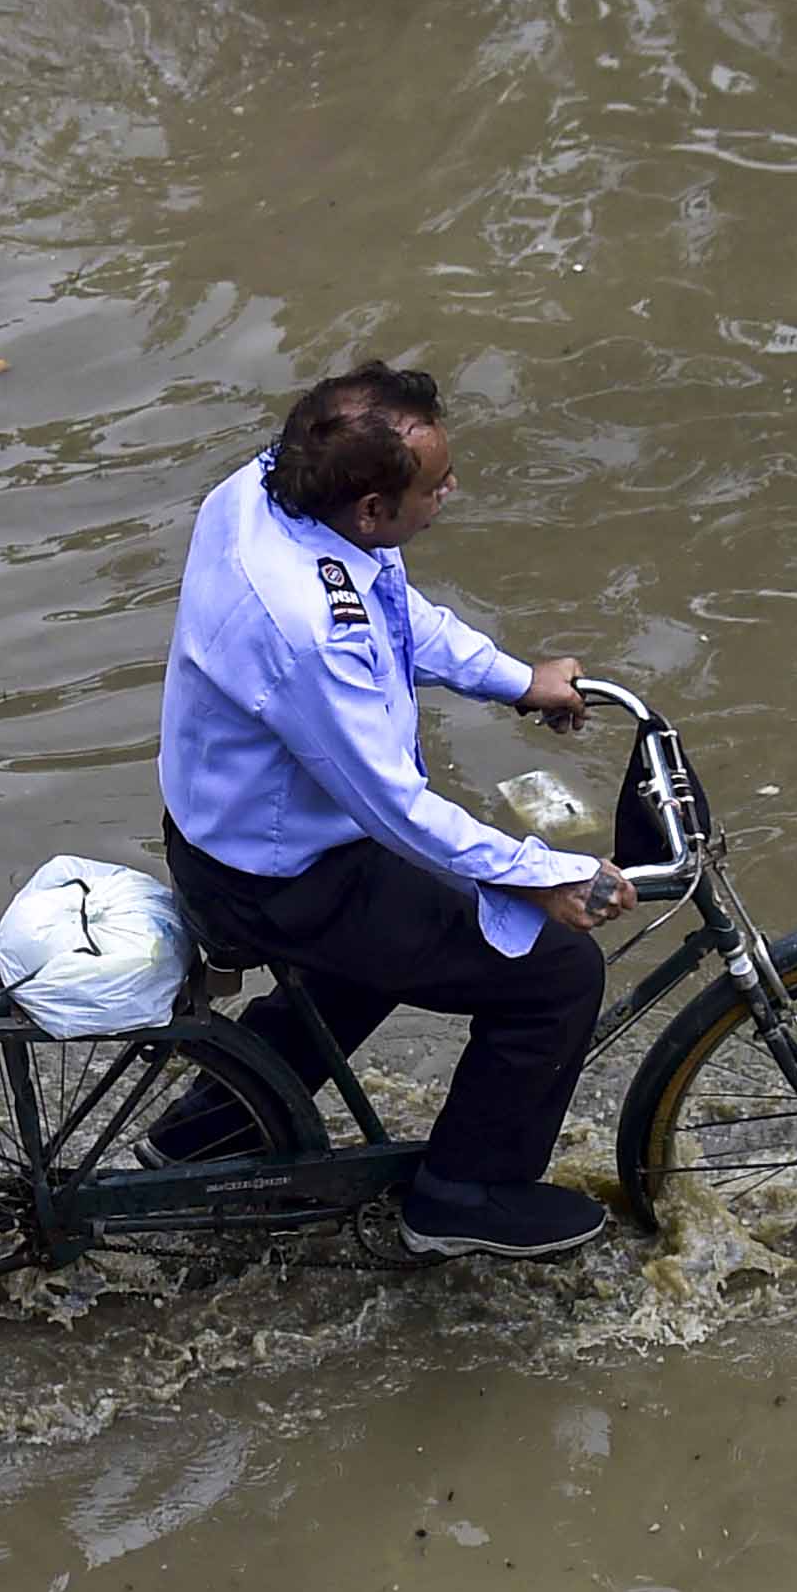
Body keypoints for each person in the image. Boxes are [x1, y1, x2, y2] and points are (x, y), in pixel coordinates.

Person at [156, 362, 618, 1258]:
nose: (453, 491)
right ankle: (462, 1196)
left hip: (228, 829)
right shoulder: (306, 632)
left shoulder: (272, 487)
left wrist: (516, 680)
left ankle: (209, 1133)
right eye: (436, 484)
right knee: (555, 975)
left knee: (384, 948)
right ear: (370, 508)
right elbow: (396, 808)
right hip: (282, 877)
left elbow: (395, 612)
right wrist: (544, 875)